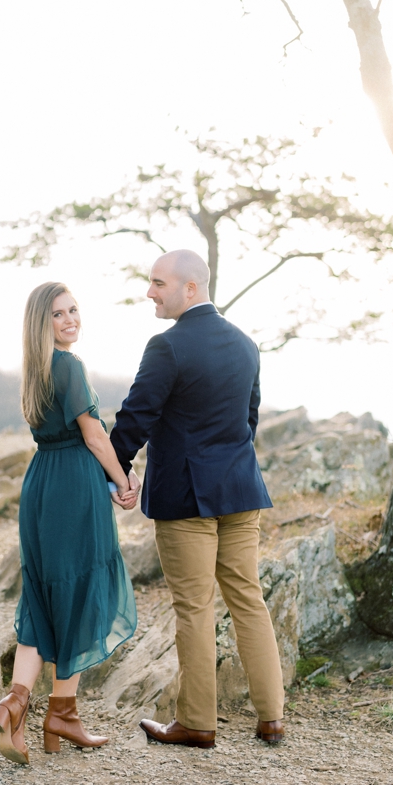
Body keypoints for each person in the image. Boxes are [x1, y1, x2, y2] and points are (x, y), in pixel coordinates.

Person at [108, 248, 285, 748]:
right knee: (249, 600)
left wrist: (112, 471)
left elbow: (136, 418)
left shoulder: (167, 347)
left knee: (195, 607)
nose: (150, 292)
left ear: (191, 287)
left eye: (159, 283)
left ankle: (197, 724)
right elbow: (248, 423)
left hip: (186, 496)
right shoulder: (246, 345)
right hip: (240, 490)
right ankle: (272, 716)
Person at [0, 282, 140, 766]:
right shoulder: (69, 365)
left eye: (74, 310)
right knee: (79, 591)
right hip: (74, 484)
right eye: (59, 314)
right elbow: (95, 435)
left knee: (43, 596)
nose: (71, 319)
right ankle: (62, 712)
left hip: (41, 485)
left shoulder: (35, 371)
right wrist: (122, 480)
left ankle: (17, 703)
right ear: (42, 322)